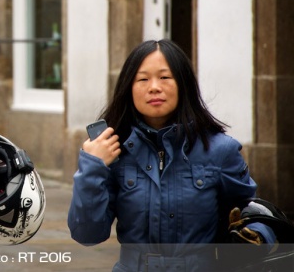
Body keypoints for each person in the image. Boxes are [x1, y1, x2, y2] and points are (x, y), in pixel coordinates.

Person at [67, 39, 277, 271]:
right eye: (143, 79)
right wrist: (93, 166)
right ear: (128, 88)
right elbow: (87, 234)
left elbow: (250, 213)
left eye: (165, 77)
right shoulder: (113, 152)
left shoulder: (220, 150)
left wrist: (257, 237)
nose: (154, 87)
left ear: (183, 84)